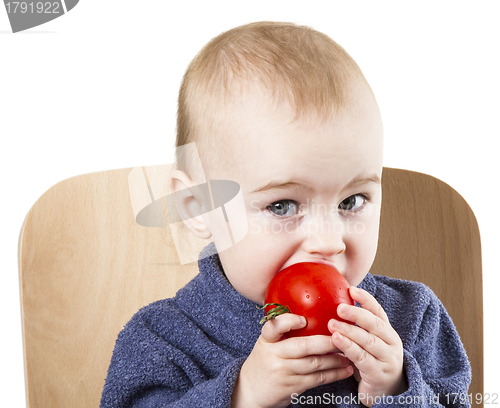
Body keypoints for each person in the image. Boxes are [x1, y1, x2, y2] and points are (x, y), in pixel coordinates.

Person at [100, 21, 471, 408]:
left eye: (352, 201)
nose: (329, 241)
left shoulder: (413, 318)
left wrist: (397, 390)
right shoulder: (162, 340)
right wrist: (242, 396)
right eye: (283, 206)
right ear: (200, 207)